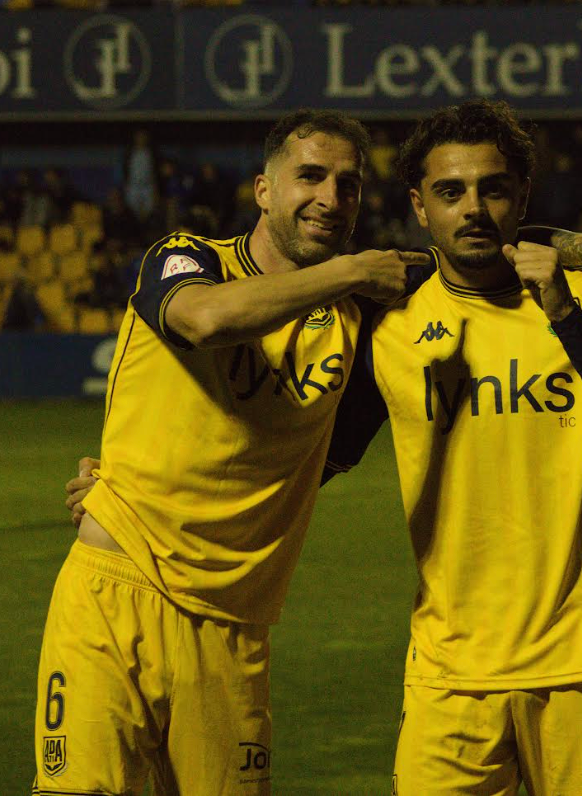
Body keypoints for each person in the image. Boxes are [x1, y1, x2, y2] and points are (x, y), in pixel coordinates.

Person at [34, 108, 431, 796]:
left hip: (234, 624)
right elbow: (205, 319)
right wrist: (351, 271)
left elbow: (487, 244)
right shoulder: (188, 258)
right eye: (310, 176)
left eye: (348, 184)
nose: (331, 198)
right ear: (264, 190)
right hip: (114, 593)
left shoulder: (359, 320)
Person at [320, 100, 582, 795]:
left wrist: (566, 313)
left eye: (492, 189)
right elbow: (315, 461)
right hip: (449, 673)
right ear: (419, 207)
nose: (473, 209)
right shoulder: (388, 324)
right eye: (450, 192)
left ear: (522, 195)